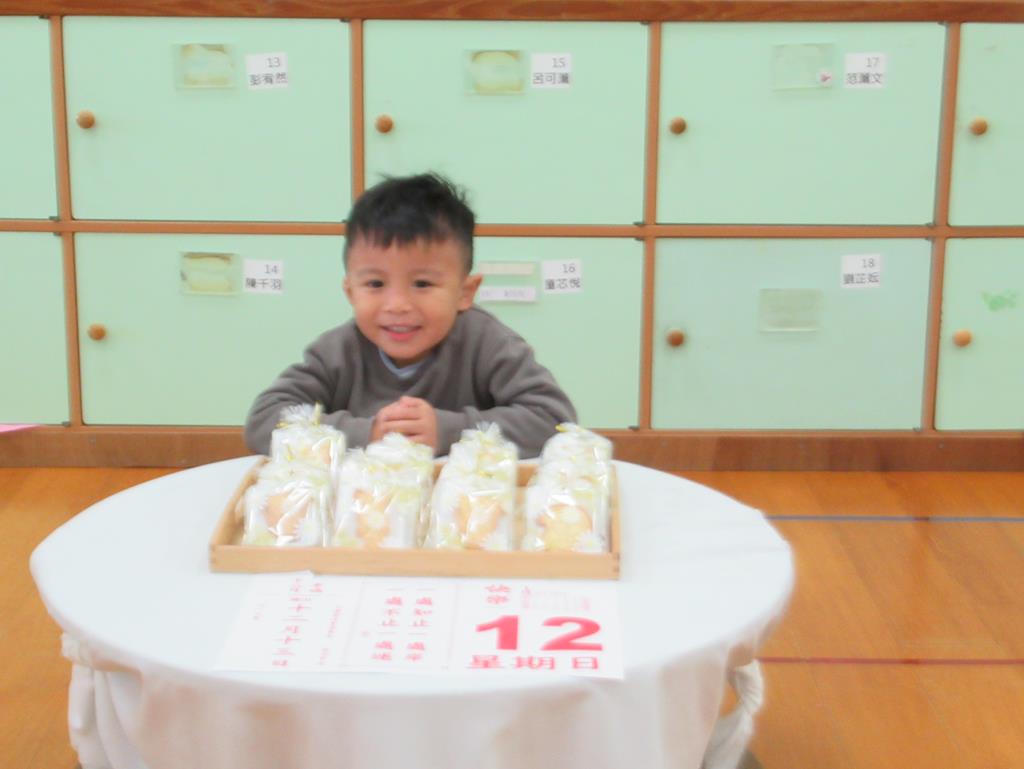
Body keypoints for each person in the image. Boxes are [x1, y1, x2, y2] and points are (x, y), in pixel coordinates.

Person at [244, 173, 576, 457]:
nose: (397, 304)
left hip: (467, 502)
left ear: (465, 292)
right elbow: (263, 421)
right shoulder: (337, 352)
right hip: (368, 504)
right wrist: (367, 434)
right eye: (375, 284)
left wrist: (452, 432)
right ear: (351, 291)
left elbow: (554, 420)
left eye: (422, 284)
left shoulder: (487, 343)